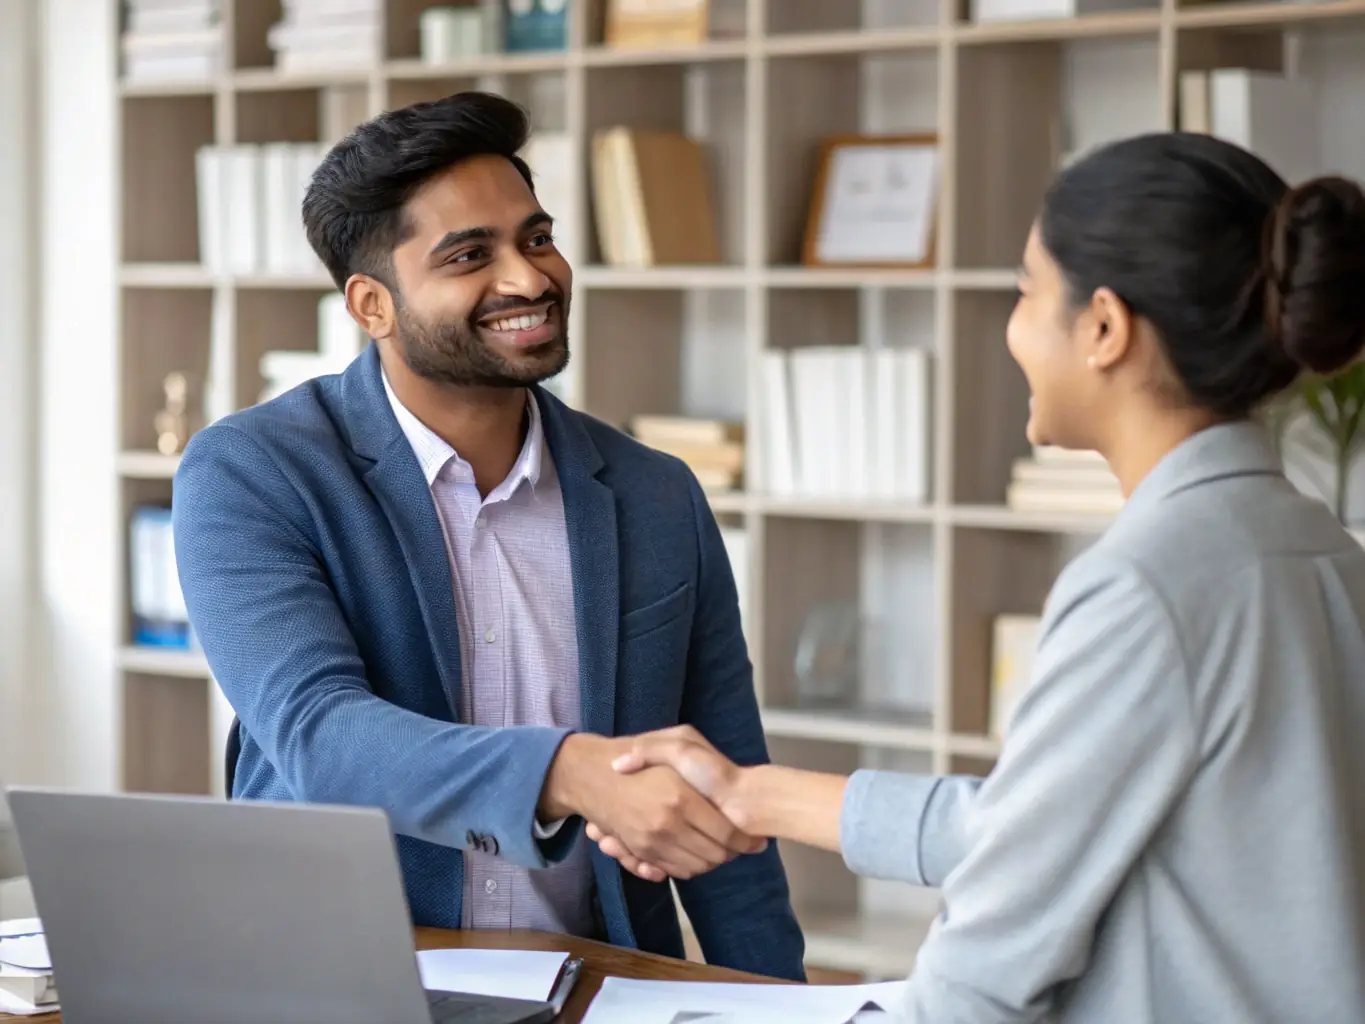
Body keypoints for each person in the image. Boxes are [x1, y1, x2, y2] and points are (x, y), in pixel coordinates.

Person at [589, 131, 1365, 1021]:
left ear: (1104, 328)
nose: (1013, 326)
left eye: (1026, 291)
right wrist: (750, 793)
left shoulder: (1146, 588)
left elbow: (983, 977)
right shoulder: (1323, 552)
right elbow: (1043, 824)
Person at [170, 90, 805, 980]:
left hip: (598, 984)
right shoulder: (251, 473)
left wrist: (781, 1000)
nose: (529, 278)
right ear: (371, 305)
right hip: (339, 978)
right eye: (471, 255)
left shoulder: (656, 494)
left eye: (536, 238)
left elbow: (727, 786)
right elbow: (322, 737)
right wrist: (567, 772)